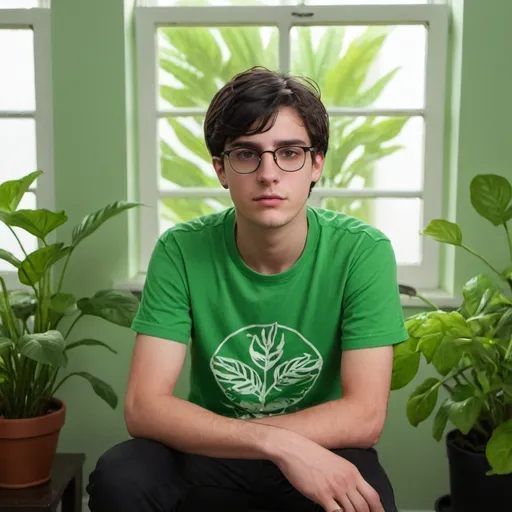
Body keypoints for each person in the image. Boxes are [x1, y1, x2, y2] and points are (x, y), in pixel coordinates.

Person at [86, 66, 408, 512]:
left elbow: (364, 417)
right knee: (122, 474)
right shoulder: (181, 250)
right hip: (213, 452)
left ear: (316, 164)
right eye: (246, 154)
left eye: (290, 152)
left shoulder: (362, 251)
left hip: (322, 448)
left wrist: (287, 446)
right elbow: (144, 407)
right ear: (221, 169)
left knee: (367, 499)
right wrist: (276, 444)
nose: (268, 174)